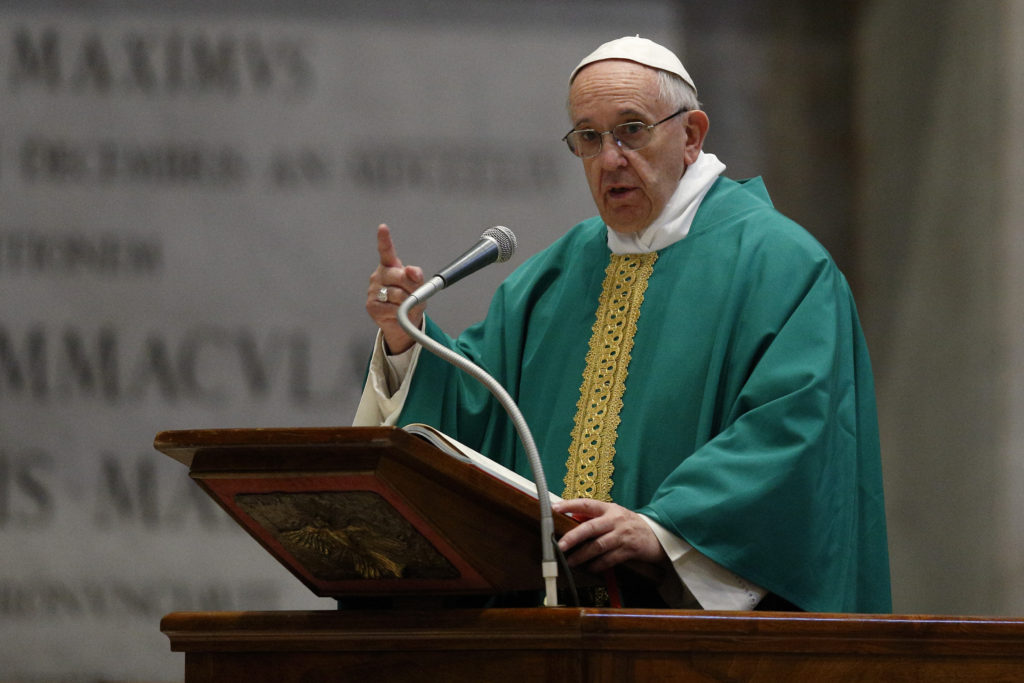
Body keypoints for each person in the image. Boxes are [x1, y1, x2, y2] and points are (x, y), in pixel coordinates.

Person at [354, 36, 891, 613]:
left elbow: (795, 434)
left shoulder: (780, 265)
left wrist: (663, 531)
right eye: (589, 137)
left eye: (632, 129)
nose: (610, 159)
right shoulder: (553, 276)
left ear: (691, 135)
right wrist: (405, 338)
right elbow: (475, 421)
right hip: (554, 633)